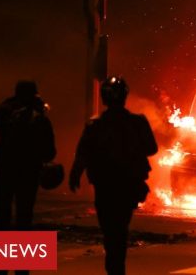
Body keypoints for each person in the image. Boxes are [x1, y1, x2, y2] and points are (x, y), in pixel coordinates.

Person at [69, 76, 158, 275]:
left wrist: (75, 175)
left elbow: (83, 153)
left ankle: (114, 266)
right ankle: (117, 266)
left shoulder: (95, 125)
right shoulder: (137, 123)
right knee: (120, 229)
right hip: (127, 185)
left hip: (106, 185)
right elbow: (152, 148)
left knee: (110, 229)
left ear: (104, 98)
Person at [0, 80, 56, 275]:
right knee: (24, 219)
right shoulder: (39, 119)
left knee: (2, 218)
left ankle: (0, 267)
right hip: (27, 174)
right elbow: (50, 152)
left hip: (4, 170)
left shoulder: (5, 114)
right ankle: (21, 268)